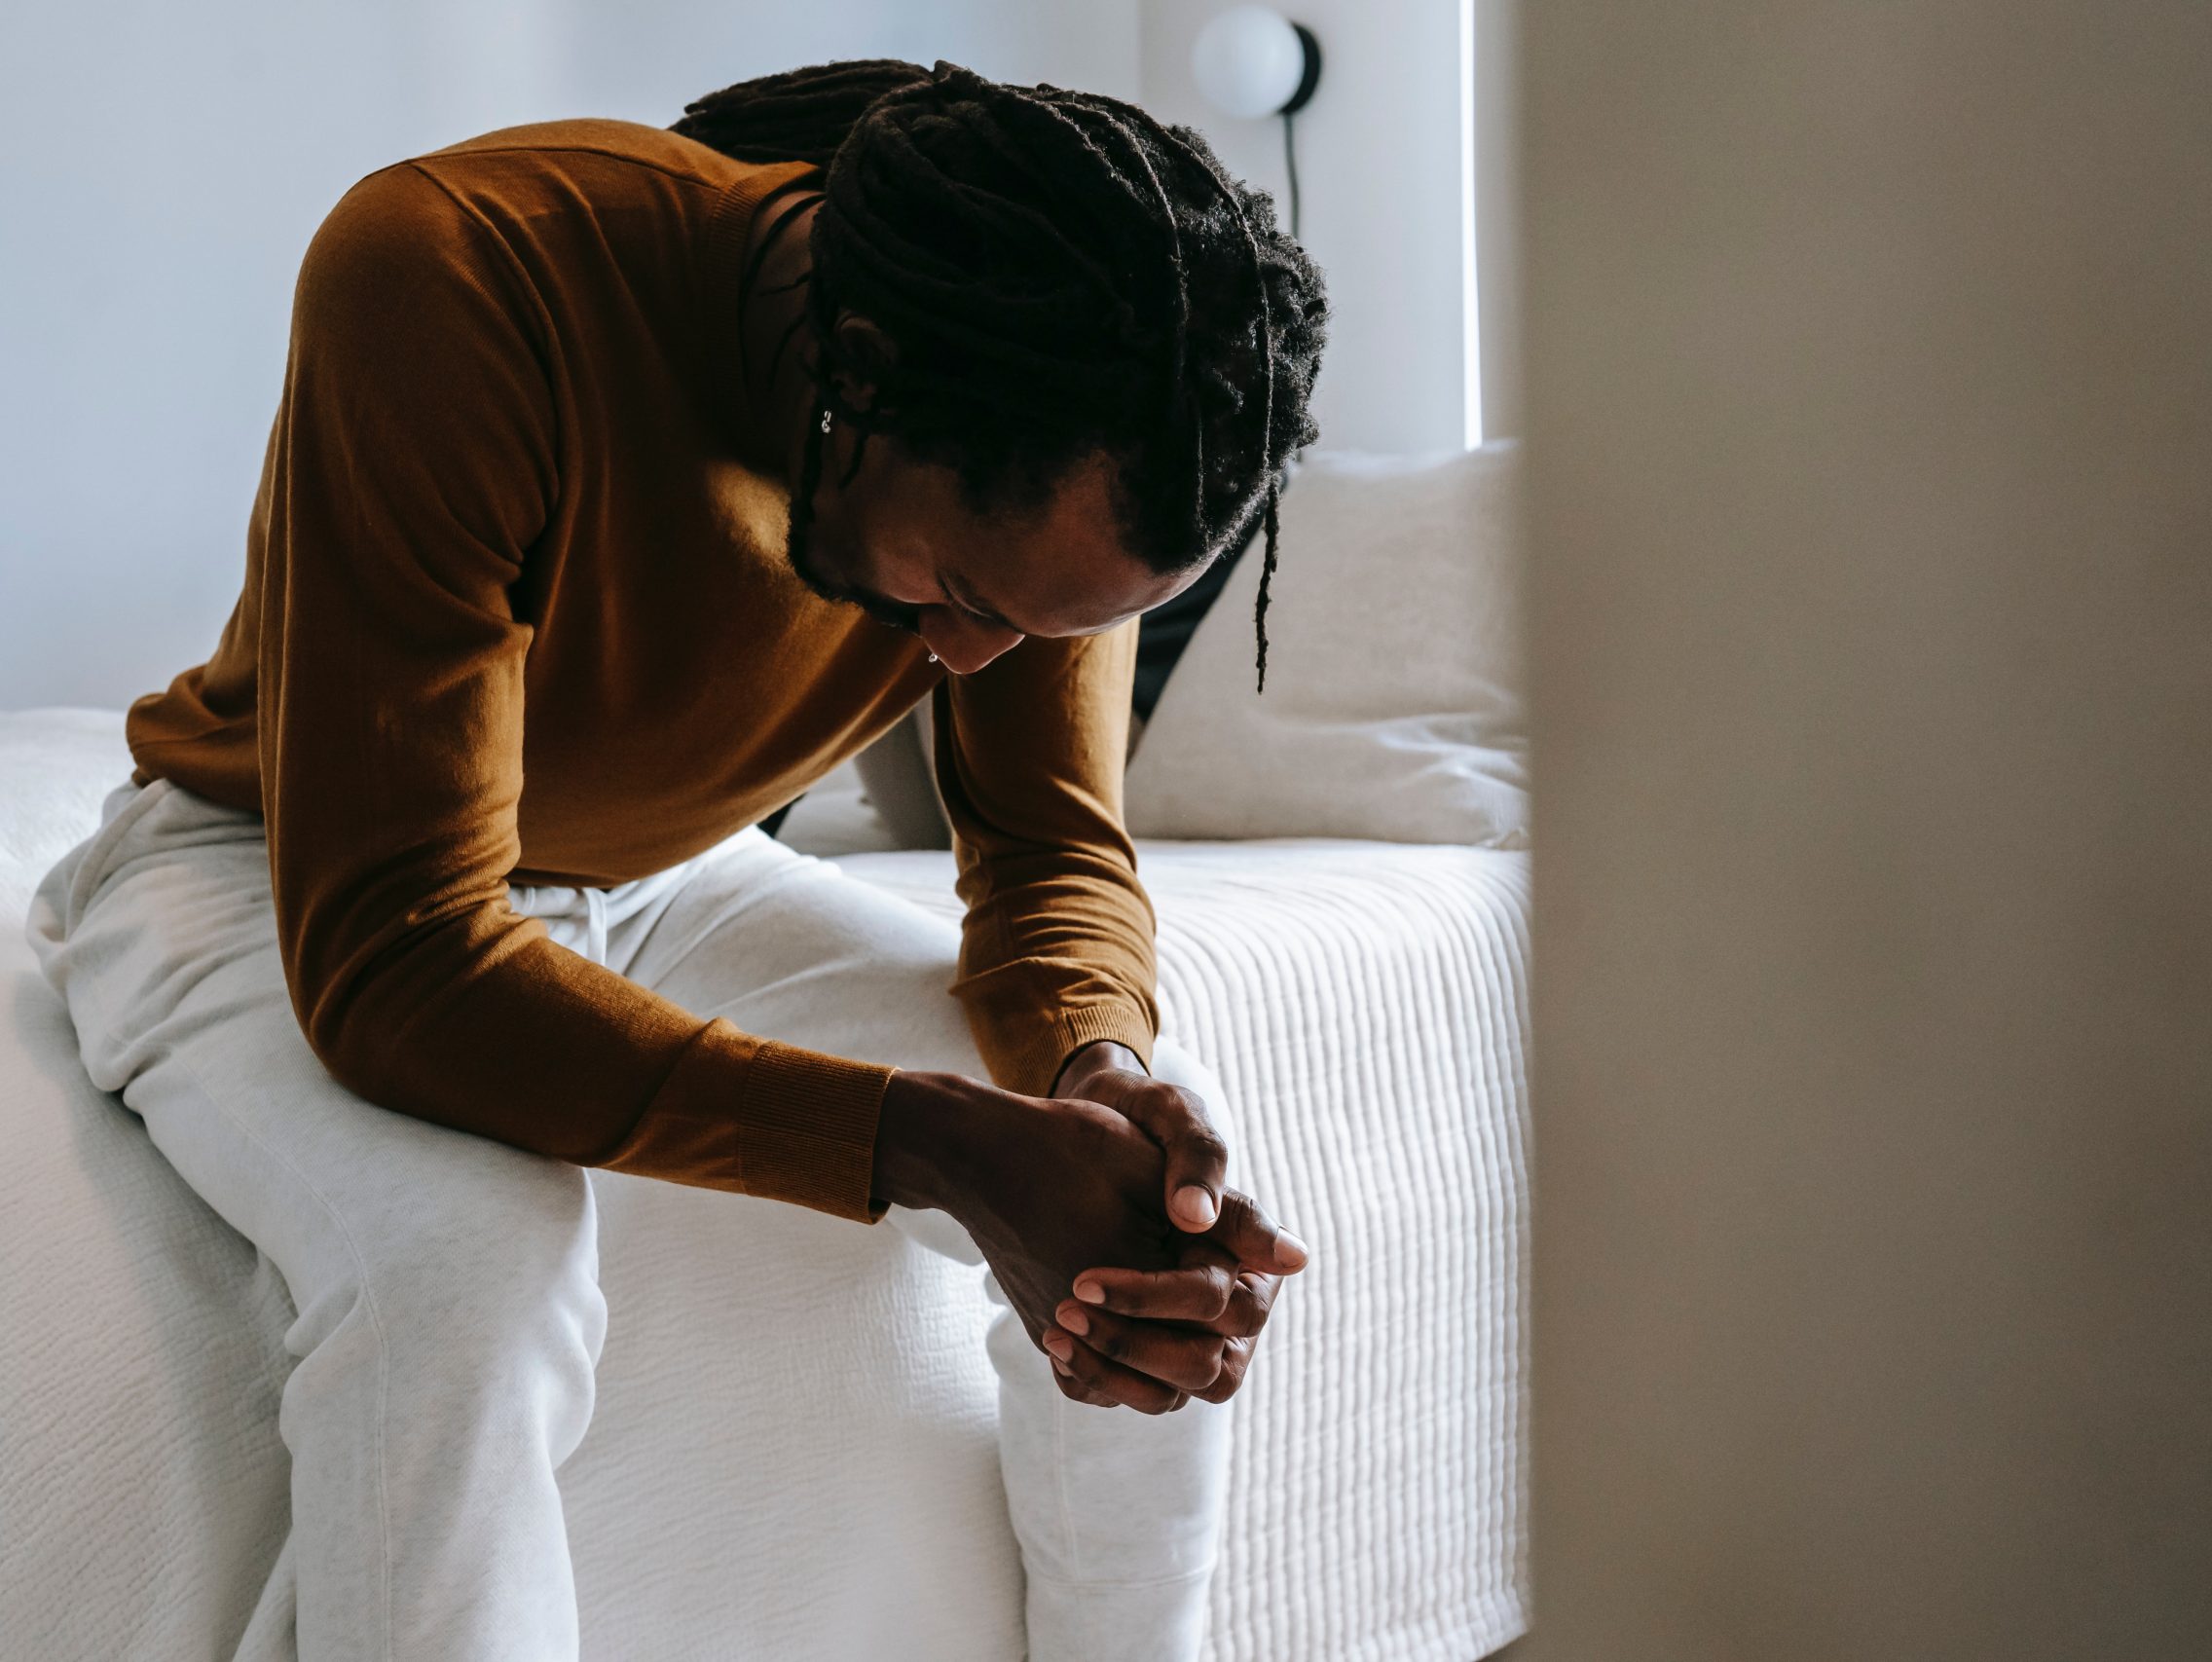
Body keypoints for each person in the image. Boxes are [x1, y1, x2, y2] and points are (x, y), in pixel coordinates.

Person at [26, 57, 1329, 1662]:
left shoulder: (1095, 396)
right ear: (861, 371)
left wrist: (1092, 1063)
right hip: (268, 865)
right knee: (464, 1277)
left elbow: (1048, 843)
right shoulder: (460, 270)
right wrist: (930, 1146)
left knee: (1151, 1204)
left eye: (1041, 627)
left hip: (663, 875)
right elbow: (397, 963)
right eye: (962, 593)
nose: (973, 663)